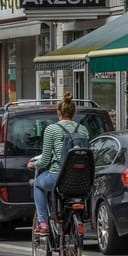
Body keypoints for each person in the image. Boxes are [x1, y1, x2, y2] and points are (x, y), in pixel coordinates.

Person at [28, 93, 88, 235]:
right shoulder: (83, 130)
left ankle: (43, 223)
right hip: (81, 178)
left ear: (58, 113)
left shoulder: (51, 129)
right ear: (74, 113)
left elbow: (46, 159)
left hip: (58, 176)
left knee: (38, 184)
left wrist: (34, 164)